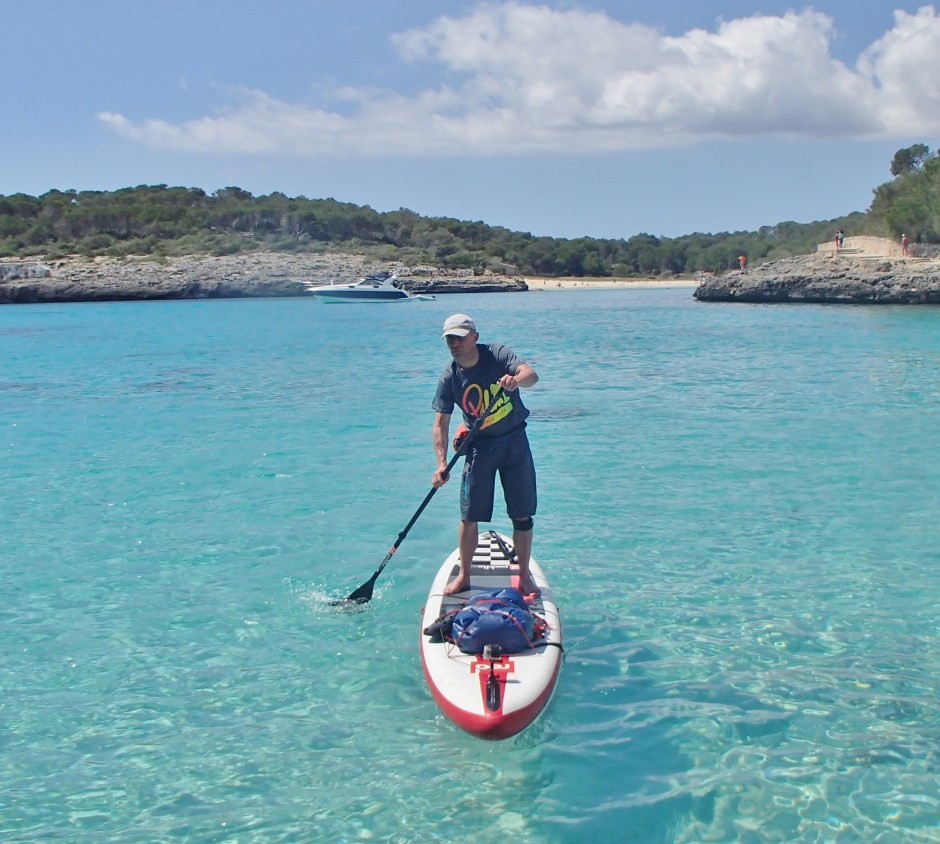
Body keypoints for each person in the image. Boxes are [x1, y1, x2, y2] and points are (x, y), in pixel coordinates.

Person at [431, 314, 540, 597]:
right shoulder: (449, 377)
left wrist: (516, 380)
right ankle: (465, 576)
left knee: (522, 514)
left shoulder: (498, 355)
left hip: (515, 443)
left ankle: (524, 574)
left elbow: (532, 375)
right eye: (449, 339)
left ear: (474, 337)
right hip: (480, 448)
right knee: (469, 516)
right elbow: (440, 423)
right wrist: (441, 463)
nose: (454, 344)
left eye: (459, 337)